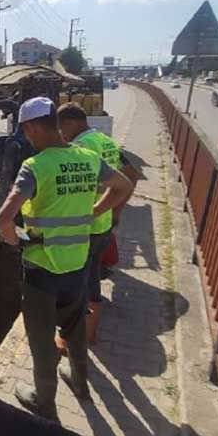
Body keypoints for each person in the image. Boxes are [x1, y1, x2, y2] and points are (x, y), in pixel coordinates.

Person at [0, 97, 132, 415]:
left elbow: (3, 219)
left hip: (42, 269)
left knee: (41, 339)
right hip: (77, 263)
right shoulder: (88, 157)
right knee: (72, 326)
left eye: (26, 132)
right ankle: (80, 381)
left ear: (30, 127)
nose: (27, 139)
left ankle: (44, 402)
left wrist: (15, 242)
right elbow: (123, 185)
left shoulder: (35, 166)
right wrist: (95, 211)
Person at [57, 103, 139, 346]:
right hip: (103, 225)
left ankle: (79, 337)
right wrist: (114, 209)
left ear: (71, 123)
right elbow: (129, 176)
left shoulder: (82, 147)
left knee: (81, 282)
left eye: (61, 128)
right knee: (91, 277)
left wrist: (90, 212)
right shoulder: (105, 141)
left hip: (87, 228)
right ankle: (85, 334)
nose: (61, 134)